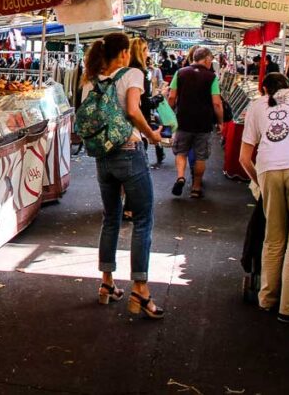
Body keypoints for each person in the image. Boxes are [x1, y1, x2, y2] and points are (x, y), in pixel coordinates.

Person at [82, 33, 165, 318]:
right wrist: (151, 134)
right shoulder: (131, 75)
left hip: (103, 158)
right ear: (122, 54)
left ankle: (107, 284)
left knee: (111, 218)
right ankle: (140, 289)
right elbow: (132, 110)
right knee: (143, 219)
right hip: (129, 151)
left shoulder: (89, 81)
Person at [238, 73, 289, 322]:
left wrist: (259, 181)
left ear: (264, 89)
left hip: (269, 169)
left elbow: (244, 158)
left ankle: (267, 299)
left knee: (273, 239)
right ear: (288, 86)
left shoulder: (256, 105)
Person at [168, 47, 224, 198]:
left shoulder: (180, 73)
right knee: (200, 156)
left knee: (181, 152)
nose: (210, 62)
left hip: (183, 120)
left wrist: (170, 114)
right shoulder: (211, 77)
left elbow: (172, 97)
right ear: (206, 59)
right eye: (210, 60)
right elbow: (217, 103)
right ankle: (196, 187)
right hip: (203, 122)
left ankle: (180, 177)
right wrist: (220, 121)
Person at [130, 40, 166, 167]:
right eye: (146, 50)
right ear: (141, 52)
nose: (148, 53)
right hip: (137, 125)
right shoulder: (141, 73)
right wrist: (160, 97)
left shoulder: (124, 71)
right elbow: (143, 104)